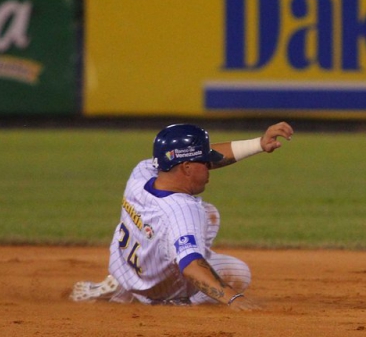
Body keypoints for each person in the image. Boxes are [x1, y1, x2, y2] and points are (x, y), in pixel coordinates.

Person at [70, 121, 294, 311]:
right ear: (186, 167)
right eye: (205, 162)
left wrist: (258, 144)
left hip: (125, 266)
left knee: (210, 214)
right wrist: (233, 298)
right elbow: (191, 265)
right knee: (239, 273)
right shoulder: (182, 210)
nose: (209, 166)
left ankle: (120, 286)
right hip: (154, 289)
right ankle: (173, 301)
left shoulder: (143, 171)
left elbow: (192, 158)